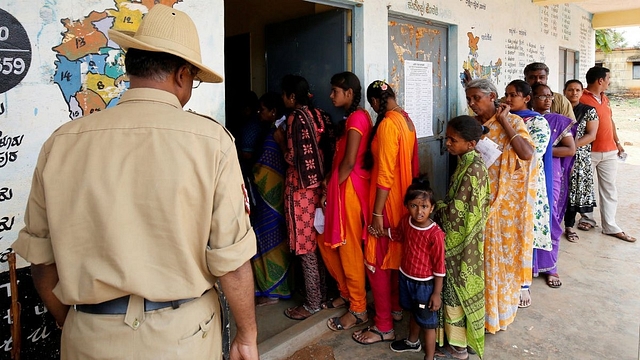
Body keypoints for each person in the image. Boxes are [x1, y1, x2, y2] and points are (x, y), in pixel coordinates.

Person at [12, 5, 258, 360]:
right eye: (194, 80)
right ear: (182, 75)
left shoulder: (61, 142)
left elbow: (41, 262)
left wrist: (79, 325)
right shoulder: (212, 141)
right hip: (183, 338)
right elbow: (231, 261)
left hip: (88, 337)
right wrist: (247, 336)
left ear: (131, 68)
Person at [464, 79, 536, 334]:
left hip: (504, 207)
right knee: (479, 262)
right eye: (468, 98)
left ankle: (496, 315)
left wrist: (505, 121)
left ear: (492, 96)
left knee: (500, 261)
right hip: (478, 202)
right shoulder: (472, 126)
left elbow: (527, 154)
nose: (471, 103)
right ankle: (478, 315)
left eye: (476, 98)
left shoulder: (513, 122)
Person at [352, 80, 419, 345]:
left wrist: (377, 213)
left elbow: (385, 173)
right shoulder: (406, 119)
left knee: (377, 263)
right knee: (394, 259)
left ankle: (383, 326)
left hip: (387, 203)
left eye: (372, 104)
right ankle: (395, 309)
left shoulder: (390, 124)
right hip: (402, 201)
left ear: (377, 102)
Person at [317, 71, 371, 330]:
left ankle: (359, 309)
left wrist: (330, 189)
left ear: (349, 93)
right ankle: (347, 293)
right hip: (343, 185)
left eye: (335, 91)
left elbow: (349, 162)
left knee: (347, 247)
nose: (331, 96)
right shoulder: (353, 117)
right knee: (327, 241)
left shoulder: (358, 118)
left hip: (348, 189)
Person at [434, 116, 490, 359]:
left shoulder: (472, 169)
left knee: (454, 292)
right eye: (447, 138)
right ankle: (455, 342)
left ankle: (458, 347)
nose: (447, 143)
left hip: (461, 242)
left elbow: (458, 212)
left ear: (471, 143)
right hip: (468, 239)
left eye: (453, 140)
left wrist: (436, 206)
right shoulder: (468, 162)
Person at [278, 74, 334, 320]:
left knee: (304, 246)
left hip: (300, 190)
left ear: (291, 97)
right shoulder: (319, 114)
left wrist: (280, 143)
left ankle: (311, 303)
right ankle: (320, 295)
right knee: (317, 243)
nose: (283, 99)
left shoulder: (293, 119)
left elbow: (293, 157)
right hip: (320, 188)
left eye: (284, 95)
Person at [382, 179, 444, 360]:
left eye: (424, 206)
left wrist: (436, 293)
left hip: (425, 285)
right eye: (414, 206)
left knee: (428, 322)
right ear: (407, 206)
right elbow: (399, 235)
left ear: (432, 208)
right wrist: (382, 231)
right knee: (414, 312)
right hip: (406, 278)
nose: (419, 211)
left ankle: (429, 357)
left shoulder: (435, 234)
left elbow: (440, 266)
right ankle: (412, 342)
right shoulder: (406, 221)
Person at [504, 80, 552, 308]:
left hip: (528, 186)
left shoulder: (537, 122)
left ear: (526, 98)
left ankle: (524, 284)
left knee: (526, 231)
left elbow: (531, 155)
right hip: (506, 184)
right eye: (506, 94)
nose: (508, 99)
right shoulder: (506, 118)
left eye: (513, 95)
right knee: (509, 232)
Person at [579, 66, 636, 243]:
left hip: (609, 151)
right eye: (608, 78)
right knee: (585, 187)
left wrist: (617, 142)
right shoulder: (581, 97)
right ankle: (586, 218)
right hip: (588, 151)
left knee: (609, 189)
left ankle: (610, 226)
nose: (610, 81)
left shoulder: (605, 99)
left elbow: (609, 121)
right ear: (600, 80)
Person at [531, 83, 577, 288]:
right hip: (529, 174)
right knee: (530, 219)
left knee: (551, 217)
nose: (548, 100)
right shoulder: (524, 119)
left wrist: (541, 150)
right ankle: (530, 265)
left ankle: (551, 267)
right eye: (542, 96)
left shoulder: (558, 120)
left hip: (551, 174)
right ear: (530, 98)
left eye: (549, 96)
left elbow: (570, 149)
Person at [251, 92, 292, 306]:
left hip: (269, 201)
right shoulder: (278, 132)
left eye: (262, 109)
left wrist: (251, 174)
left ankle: (273, 291)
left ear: (273, 112)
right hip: (278, 200)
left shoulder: (272, 137)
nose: (260, 113)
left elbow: (264, 171)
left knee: (269, 241)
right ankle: (277, 287)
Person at [562, 80, 599, 242]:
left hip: (579, 157)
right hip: (561, 155)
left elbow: (591, 135)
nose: (574, 93)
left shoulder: (588, 110)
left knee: (573, 192)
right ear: (565, 91)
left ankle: (569, 227)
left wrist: (571, 146)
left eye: (577, 90)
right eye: (570, 90)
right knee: (560, 190)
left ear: (582, 92)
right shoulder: (560, 110)